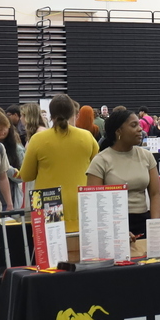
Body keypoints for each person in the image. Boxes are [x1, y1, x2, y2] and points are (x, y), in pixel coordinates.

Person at [20, 94, 99, 234]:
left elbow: (26, 176)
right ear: (72, 113)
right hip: (81, 202)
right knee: (79, 251)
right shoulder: (87, 137)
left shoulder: (38, 139)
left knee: (52, 252)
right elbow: (98, 170)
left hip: (47, 203)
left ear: (51, 114)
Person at [87, 108, 160, 237]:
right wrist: (116, 230)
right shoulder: (100, 161)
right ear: (118, 131)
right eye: (134, 125)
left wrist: (154, 225)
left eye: (139, 124)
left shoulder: (147, 156)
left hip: (144, 222)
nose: (140, 129)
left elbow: (155, 194)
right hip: (112, 226)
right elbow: (94, 204)